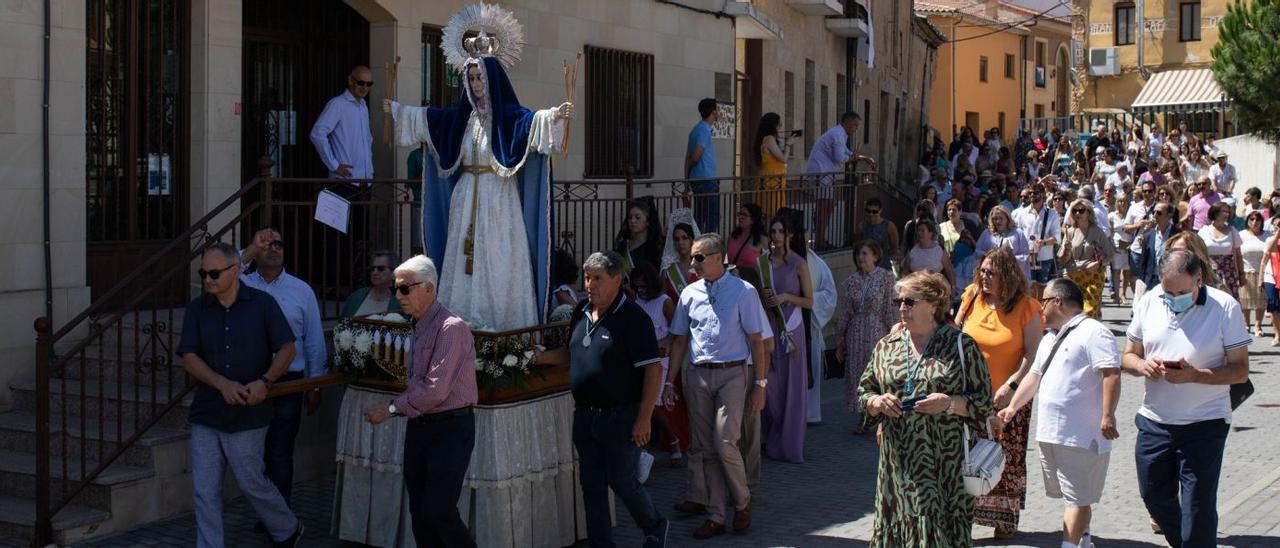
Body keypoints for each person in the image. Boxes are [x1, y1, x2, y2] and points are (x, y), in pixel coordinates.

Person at [387, 40, 573, 331]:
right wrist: (399, 111)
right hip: (466, 196)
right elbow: (431, 119)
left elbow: (531, 122)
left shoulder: (509, 117)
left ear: (492, 80)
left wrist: (555, 117)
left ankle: (503, 330)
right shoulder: (463, 119)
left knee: (499, 259)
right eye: (471, 78)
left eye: (479, 78)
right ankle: (454, 330)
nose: (475, 84)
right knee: (461, 262)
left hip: (499, 197)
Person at [532, 251, 670, 548]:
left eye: (598, 278)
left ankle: (655, 524)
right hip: (585, 416)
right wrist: (542, 358)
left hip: (621, 416)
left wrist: (644, 418)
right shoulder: (581, 310)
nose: (589, 285)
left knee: (622, 481)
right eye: (586, 278)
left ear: (618, 280)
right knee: (591, 486)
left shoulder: (634, 319)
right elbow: (572, 353)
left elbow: (653, 370)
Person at [178, 242, 304, 548]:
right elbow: (189, 356)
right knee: (205, 490)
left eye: (214, 273)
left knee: (252, 482)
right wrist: (221, 383)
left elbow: (288, 347)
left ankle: (286, 528)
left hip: (249, 411)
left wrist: (266, 381)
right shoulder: (197, 308)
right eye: (203, 272)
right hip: (208, 411)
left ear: (235, 271)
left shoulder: (262, 304)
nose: (207, 279)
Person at [1122, 249, 1250, 547]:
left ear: (1199, 280)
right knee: (1153, 495)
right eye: (1168, 291)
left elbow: (1240, 370)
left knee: (1198, 508)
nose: (1173, 298)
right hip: (1155, 421)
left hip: (1205, 423)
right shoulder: (1150, 301)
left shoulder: (1224, 307)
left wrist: (1196, 375)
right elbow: (1128, 355)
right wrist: (1142, 366)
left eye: (1182, 292)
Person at [858, 271, 994, 547]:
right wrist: (875, 403)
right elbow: (864, 392)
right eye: (899, 301)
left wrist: (948, 404)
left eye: (909, 301)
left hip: (944, 463)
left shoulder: (960, 346)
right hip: (898, 466)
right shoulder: (887, 346)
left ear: (933, 304)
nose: (901, 308)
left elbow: (983, 402)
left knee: (939, 530)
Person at [363, 255, 479, 548]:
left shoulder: (451, 327)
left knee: (438, 510)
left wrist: (391, 409)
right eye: (396, 289)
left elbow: (436, 390)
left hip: (450, 429)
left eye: (405, 288)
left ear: (428, 288)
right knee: (420, 512)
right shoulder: (419, 325)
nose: (398, 296)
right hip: (421, 427)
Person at [996, 278, 1121, 548]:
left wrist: (1108, 415)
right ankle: (1084, 539)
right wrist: (1013, 407)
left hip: (1082, 435)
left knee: (1078, 498)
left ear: (1058, 302)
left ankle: (1070, 544)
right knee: (1072, 494)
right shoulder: (1050, 337)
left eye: (1043, 301)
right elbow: (1034, 376)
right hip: (1052, 432)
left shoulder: (1094, 332)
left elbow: (1111, 373)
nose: (1040, 308)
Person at [663, 234, 769, 538]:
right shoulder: (689, 294)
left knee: (725, 443)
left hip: (733, 374)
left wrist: (760, 383)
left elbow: (757, 341)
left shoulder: (743, 291)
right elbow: (680, 339)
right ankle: (717, 515)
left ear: (719, 256)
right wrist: (670, 381)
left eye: (699, 257)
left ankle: (743, 500)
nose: (693, 262)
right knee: (706, 448)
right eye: (692, 257)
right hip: (697, 374)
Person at [956, 248, 1044, 540]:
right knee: (968, 457)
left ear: (1007, 275)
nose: (985, 277)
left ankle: (1003, 520)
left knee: (1005, 459)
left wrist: (1012, 385)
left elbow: (1033, 355)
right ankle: (964, 515)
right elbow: (953, 335)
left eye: (991, 272)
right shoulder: (971, 297)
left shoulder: (1028, 307)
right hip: (970, 397)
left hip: (1009, 400)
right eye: (982, 271)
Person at [238, 228, 327, 512]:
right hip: (250, 381)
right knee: (251, 454)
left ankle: (281, 518)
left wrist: (315, 385)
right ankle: (265, 513)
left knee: (280, 451)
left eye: (278, 244)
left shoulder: (301, 290)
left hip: (288, 383)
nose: (273, 248)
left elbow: (314, 341)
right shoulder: (241, 285)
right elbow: (224, 268)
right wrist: (251, 250)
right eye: (266, 244)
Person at [758, 213, 813, 462]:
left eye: (781, 232)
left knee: (790, 385)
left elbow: (809, 301)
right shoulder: (764, 263)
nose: (777, 237)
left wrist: (786, 298)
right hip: (769, 325)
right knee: (771, 386)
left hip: (791, 327)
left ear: (789, 235)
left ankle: (788, 444)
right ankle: (770, 437)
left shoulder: (799, 263)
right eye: (774, 232)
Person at [836, 241, 897, 433]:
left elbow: (890, 308)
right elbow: (845, 312)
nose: (860, 258)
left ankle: (881, 417)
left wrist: (894, 334)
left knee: (878, 375)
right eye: (858, 254)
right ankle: (863, 418)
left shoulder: (886, 278)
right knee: (859, 376)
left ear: (875, 256)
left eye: (864, 253)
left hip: (877, 332)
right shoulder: (851, 281)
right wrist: (840, 339)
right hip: (855, 334)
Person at [630, 262, 684, 468]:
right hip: (640, 358)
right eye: (637, 287)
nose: (640, 290)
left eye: (643, 286)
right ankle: (642, 449)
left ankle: (673, 440)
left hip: (659, 359)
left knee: (653, 403)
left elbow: (676, 331)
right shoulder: (636, 301)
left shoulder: (664, 302)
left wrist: (665, 342)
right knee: (641, 401)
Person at [806, 112, 876, 249]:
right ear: (848, 123)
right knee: (824, 206)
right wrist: (858, 158)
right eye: (855, 125)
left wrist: (863, 158)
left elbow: (848, 153)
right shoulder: (838, 135)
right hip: (821, 173)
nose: (856, 129)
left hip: (825, 174)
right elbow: (841, 158)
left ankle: (821, 238)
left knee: (829, 205)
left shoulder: (839, 134)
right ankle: (820, 241)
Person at [310, 65, 374, 180]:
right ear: (350, 80)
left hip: (365, 180)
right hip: (344, 180)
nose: (365, 87)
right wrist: (334, 166)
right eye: (361, 83)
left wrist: (369, 170)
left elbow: (367, 139)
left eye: (369, 84)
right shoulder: (337, 104)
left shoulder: (363, 107)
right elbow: (317, 134)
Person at [1059, 199, 1113, 319]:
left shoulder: (1098, 232)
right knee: (1073, 313)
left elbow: (1110, 254)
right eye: (1075, 211)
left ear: (1088, 213)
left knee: (1089, 311)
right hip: (1072, 274)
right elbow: (1063, 259)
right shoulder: (1070, 232)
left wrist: (1098, 264)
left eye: (1081, 211)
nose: (1077, 213)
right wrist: (1066, 249)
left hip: (1093, 275)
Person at [805, 240, 838, 425]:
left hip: (810, 325)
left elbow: (829, 294)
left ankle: (809, 413)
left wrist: (808, 300)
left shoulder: (816, 262)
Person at [1015, 186, 1061, 298]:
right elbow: (1017, 233)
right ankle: (1032, 311)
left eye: (1035, 193)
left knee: (1042, 286)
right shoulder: (1022, 213)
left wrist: (1044, 242)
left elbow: (1057, 237)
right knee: (1028, 286)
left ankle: (1040, 310)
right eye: (1030, 193)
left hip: (1044, 256)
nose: (1032, 195)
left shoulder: (1052, 214)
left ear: (1043, 195)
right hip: (1027, 255)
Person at [1131, 203, 1179, 306]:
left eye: (1159, 213)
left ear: (1169, 215)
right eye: (1154, 212)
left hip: (1171, 279)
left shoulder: (1177, 235)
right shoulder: (1149, 235)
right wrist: (1142, 281)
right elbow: (1143, 261)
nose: (1155, 215)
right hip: (1152, 280)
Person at [687, 98, 721, 233]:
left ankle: (699, 243)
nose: (719, 112)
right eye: (717, 109)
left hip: (698, 179)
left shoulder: (696, 130)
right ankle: (708, 246)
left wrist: (687, 179)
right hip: (706, 180)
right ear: (713, 111)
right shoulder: (703, 130)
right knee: (712, 217)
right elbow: (695, 156)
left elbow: (688, 157)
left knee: (701, 217)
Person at [754, 112, 798, 216]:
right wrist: (788, 144)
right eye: (779, 124)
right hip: (772, 182)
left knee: (770, 211)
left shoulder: (766, 139)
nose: (780, 127)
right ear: (773, 125)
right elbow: (783, 159)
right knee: (773, 212)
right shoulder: (769, 139)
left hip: (772, 180)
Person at [974, 205, 1031, 284]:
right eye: (995, 219)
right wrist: (990, 257)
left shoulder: (1018, 233)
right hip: (991, 277)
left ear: (1007, 219)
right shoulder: (986, 233)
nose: (998, 221)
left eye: (1001, 218)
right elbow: (977, 251)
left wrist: (1007, 259)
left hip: (1012, 276)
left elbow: (1025, 255)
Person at [1198, 201, 1244, 299]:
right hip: (1209, 273)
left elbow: (1239, 255)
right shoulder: (1203, 231)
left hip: (1228, 274)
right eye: (1223, 211)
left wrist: (1241, 274)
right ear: (1215, 212)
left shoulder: (1232, 231)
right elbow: (1198, 253)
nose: (1226, 214)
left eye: (1228, 212)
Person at [342, 250, 403, 317]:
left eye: (381, 269)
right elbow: (342, 324)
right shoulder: (356, 297)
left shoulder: (402, 301)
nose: (375, 272)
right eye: (372, 269)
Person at [615, 197, 664, 273]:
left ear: (647, 221)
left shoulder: (655, 248)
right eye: (630, 217)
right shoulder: (623, 246)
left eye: (637, 217)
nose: (633, 221)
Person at [904, 219, 956, 289]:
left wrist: (953, 287)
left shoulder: (939, 250)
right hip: (916, 288)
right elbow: (905, 271)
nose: (919, 233)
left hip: (936, 288)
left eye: (922, 230)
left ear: (930, 233)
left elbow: (949, 270)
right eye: (918, 230)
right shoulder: (912, 250)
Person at [1240, 211, 1269, 337]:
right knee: (1245, 300)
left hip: (1263, 272)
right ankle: (1246, 323)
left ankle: (1258, 325)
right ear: (1247, 221)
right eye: (1251, 219)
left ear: (1262, 222)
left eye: (1257, 220)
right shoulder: (1241, 235)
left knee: (1261, 301)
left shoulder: (1267, 235)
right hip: (1245, 271)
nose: (1254, 222)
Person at [859, 197, 901, 269]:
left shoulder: (889, 226)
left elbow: (894, 248)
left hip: (884, 265)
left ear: (880, 211)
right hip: (866, 266)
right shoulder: (862, 226)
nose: (871, 214)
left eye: (874, 211)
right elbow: (859, 246)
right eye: (868, 211)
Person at [1110, 196, 1136, 305]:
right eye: (1120, 201)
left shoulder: (1131, 215)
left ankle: (1123, 294)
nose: (1122, 203)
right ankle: (1116, 295)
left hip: (1129, 246)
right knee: (1116, 271)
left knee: (1127, 273)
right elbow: (1109, 232)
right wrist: (1111, 246)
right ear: (1117, 202)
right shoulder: (1111, 216)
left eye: (1125, 201)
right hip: (1116, 246)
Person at [727, 203, 769, 269]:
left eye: (745, 215)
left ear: (753, 220)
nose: (740, 217)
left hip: (751, 278)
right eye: (740, 214)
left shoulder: (762, 239)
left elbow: (767, 266)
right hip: (732, 278)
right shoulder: (732, 237)